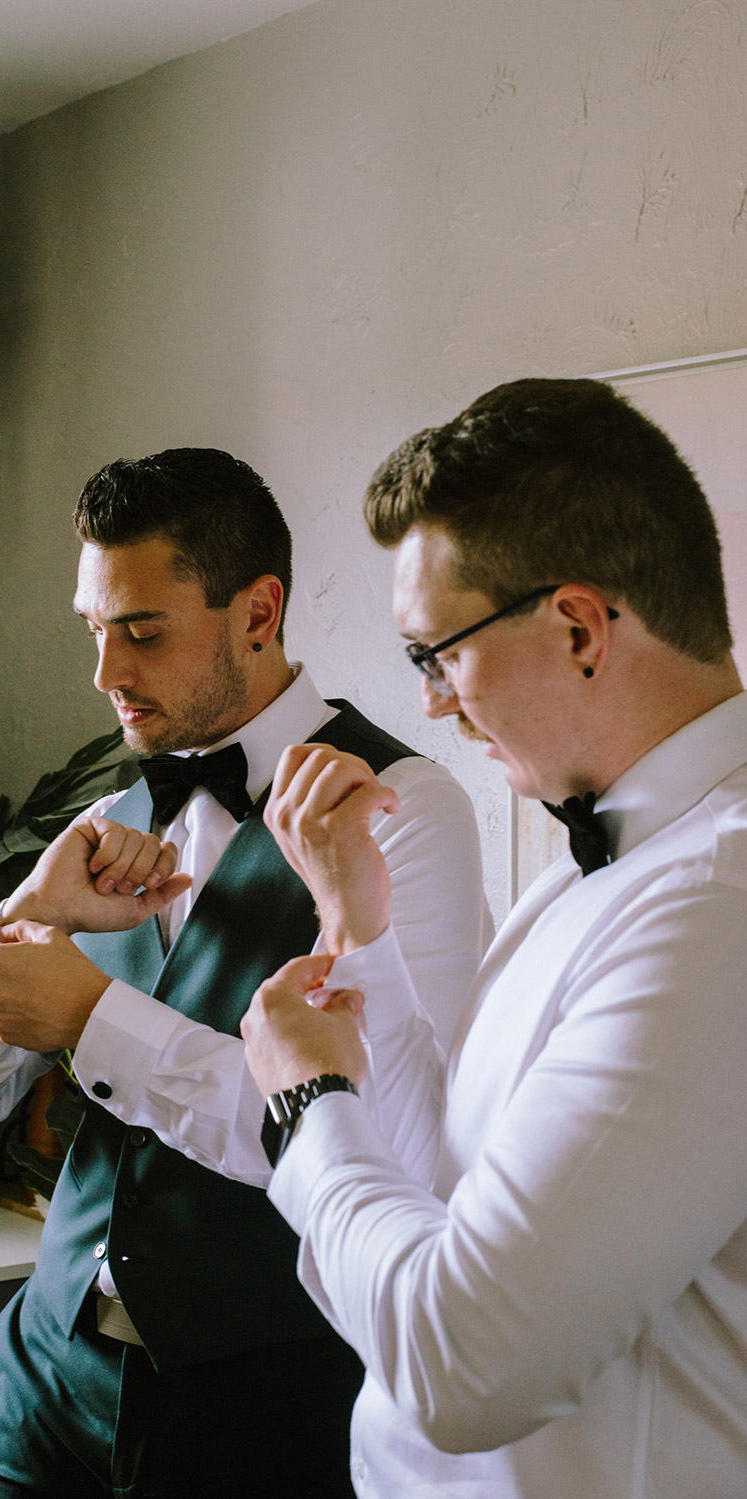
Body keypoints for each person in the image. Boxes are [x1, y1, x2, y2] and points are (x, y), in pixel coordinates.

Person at [0, 447, 490, 1499]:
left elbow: (397, 1150)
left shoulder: (401, 811)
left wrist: (97, 1018)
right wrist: (31, 913)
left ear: (257, 612)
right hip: (45, 1387)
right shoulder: (99, 826)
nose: (106, 673)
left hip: (265, 1409)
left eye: (142, 631)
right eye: (95, 628)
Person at [241, 377, 747, 1499]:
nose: (430, 705)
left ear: (576, 627)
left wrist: (303, 1108)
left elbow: (464, 1361)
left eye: (437, 655)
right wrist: (358, 933)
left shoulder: (719, 897)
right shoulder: (594, 862)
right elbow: (446, 1185)